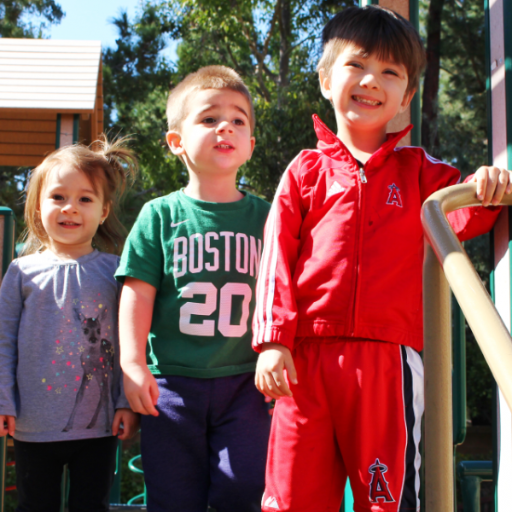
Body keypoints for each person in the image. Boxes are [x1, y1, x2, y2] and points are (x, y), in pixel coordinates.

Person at [253, 6, 512, 512]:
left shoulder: (419, 172)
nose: (372, 80)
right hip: (304, 359)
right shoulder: (306, 171)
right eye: (357, 65)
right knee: (290, 497)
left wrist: (489, 184)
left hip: (386, 360)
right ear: (327, 79)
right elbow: (276, 257)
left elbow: (467, 213)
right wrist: (272, 341)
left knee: (386, 496)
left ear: (406, 97)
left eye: (390, 72)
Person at [116, 65, 271, 512]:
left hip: (246, 383)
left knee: (243, 490)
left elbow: (281, 294)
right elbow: (137, 293)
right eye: (209, 118)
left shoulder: (268, 217)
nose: (226, 126)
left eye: (239, 120)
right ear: (176, 141)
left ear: (250, 146)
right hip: (172, 387)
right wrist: (132, 363)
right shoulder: (158, 216)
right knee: (173, 497)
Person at [0, 137, 140, 512]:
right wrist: (3, 398)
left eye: (85, 199)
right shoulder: (20, 272)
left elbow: (131, 343)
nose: (70, 209)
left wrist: (127, 401)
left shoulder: (116, 273)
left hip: (99, 427)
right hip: (33, 424)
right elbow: (3, 340)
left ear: (104, 209)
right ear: (37, 205)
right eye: (58, 197)